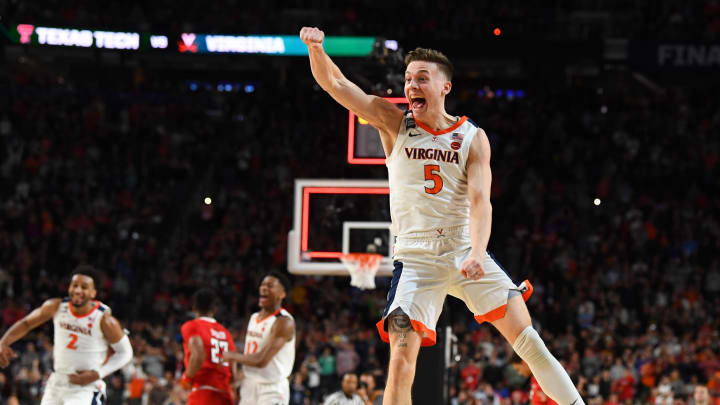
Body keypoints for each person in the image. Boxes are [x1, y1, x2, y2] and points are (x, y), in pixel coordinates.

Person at [300, 26, 585, 405]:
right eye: (407, 79)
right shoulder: (393, 122)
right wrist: (316, 49)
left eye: (422, 78)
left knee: (530, 342)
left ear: (445, 87)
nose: (411, 85)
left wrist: (478, 252)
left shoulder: (472, 137)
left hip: (463, 247)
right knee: (401, 364)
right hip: (416, 259)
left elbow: (481, 201)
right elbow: (336, 83)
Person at [0, 265, 133, 404]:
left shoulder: (104, 320)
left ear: (93, 293)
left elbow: (125, 353)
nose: (77, 290)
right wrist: (3, 342)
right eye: (74, 285)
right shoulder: (56, 307)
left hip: (85, 387)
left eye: (84, 287)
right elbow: (26, 323)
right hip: (57, 381)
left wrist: (97, 374)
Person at [223, 271, 296, 405]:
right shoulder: (254, 318)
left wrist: (231, 356)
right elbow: (249, 355)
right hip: (249, 383)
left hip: (272, 388)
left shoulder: (284, 321)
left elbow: (261, 360)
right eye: (262, 284)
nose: (264, 288)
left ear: (282, 294)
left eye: (270, 285)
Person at [180, 288, 237, 405]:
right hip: (225, 394)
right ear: (214, 309)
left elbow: (198, 356)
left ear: (194, 307)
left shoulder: (192, 326)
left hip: (203, 392)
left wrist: (186, 377)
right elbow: (233, 365)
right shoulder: (226, 333)